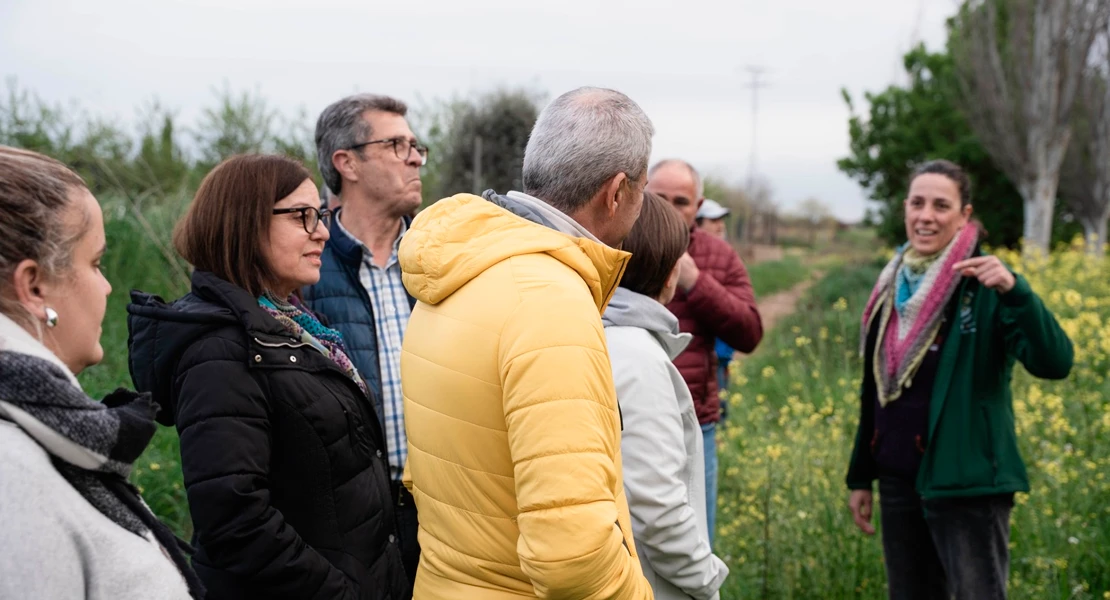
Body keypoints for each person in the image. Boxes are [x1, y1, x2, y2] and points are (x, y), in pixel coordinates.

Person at [398, 87, 654, 598]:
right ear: (618, 190)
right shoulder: (548, 301)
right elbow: (572, 557)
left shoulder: (461, 269)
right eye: (645, 187)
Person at [127, 154, 410, 599]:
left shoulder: (294, 326)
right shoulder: (219, 350)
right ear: (244, 223)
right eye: (302, 216)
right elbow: (235, 521)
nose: (322, 232)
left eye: (321, 214)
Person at [845, 159, 1073, 600]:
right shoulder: (891, 283)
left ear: (964, 215)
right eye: (917, 203)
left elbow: (1055, 362)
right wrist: (860, 476)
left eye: (941, 205)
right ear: (905, 209)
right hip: (898, 480)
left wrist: (1016, 292)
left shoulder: (988, 282)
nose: (926, 215)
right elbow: (875, 391)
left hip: (967, 486)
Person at [0, 146, 202, 599]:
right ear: (34, 286)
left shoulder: (44, 431)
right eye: (94, 263)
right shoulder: (12, 482)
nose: (108, 285)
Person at [305, 94, 425, 582]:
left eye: (416, 145)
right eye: (396, 144)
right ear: (346, 162)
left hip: (440, 516)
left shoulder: (441, 259)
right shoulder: (304, 267)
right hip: (343, 524)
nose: (415, 157)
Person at [603, 191, 730, 600]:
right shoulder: (639, 358)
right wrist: (707, 579)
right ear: (669, 268)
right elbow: (657, 508)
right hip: (650, 583)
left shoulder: (593, 332)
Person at [647, 159, 763, 545]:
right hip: (625, 422)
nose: (667, 208)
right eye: (658, 197)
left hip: (695, 427)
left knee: (696, 544)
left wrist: (696, 282)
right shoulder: (615, 245)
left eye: (680, 201)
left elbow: (749, 332)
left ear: (697, 207)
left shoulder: (719, 255)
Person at [695, 199, 736, 416]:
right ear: (698, 223)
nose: (720, 225)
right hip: (706, 351)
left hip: (723, 350)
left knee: (721, 402)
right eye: (714, 220)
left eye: (721, 220)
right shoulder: (692, 261)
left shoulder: (726, 257)